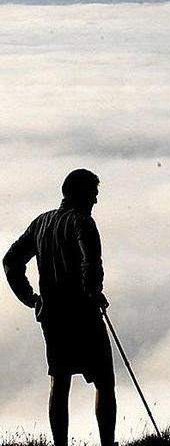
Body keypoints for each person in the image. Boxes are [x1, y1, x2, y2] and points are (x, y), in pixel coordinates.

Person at [3, 169, 115, 446]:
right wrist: (94, 291)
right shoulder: (83, 222)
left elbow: (11, 261)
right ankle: (107, 444)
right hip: (83, 315)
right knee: (104, 382)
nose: (96, 201)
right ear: (82, 194)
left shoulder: (41, 223)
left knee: (60, 381)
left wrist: (31, 298)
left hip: (52, 316)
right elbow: (91, 261)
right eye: (94, 194)